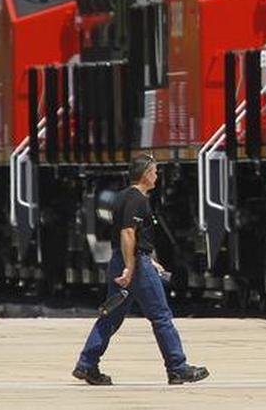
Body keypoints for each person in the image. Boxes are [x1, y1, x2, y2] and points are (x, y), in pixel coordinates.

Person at [72, 153, 210, 385]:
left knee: (111, 316)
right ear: (146, 174)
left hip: (126, 260)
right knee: (161, 316)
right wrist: (131, 266)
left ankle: (87, 364)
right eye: (155, 171)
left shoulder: (122, 197)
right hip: (133, 264)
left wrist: (147, 259)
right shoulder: (138, 200)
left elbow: (131, 237)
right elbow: (128, 233)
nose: (157, 176)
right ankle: (177, 367)